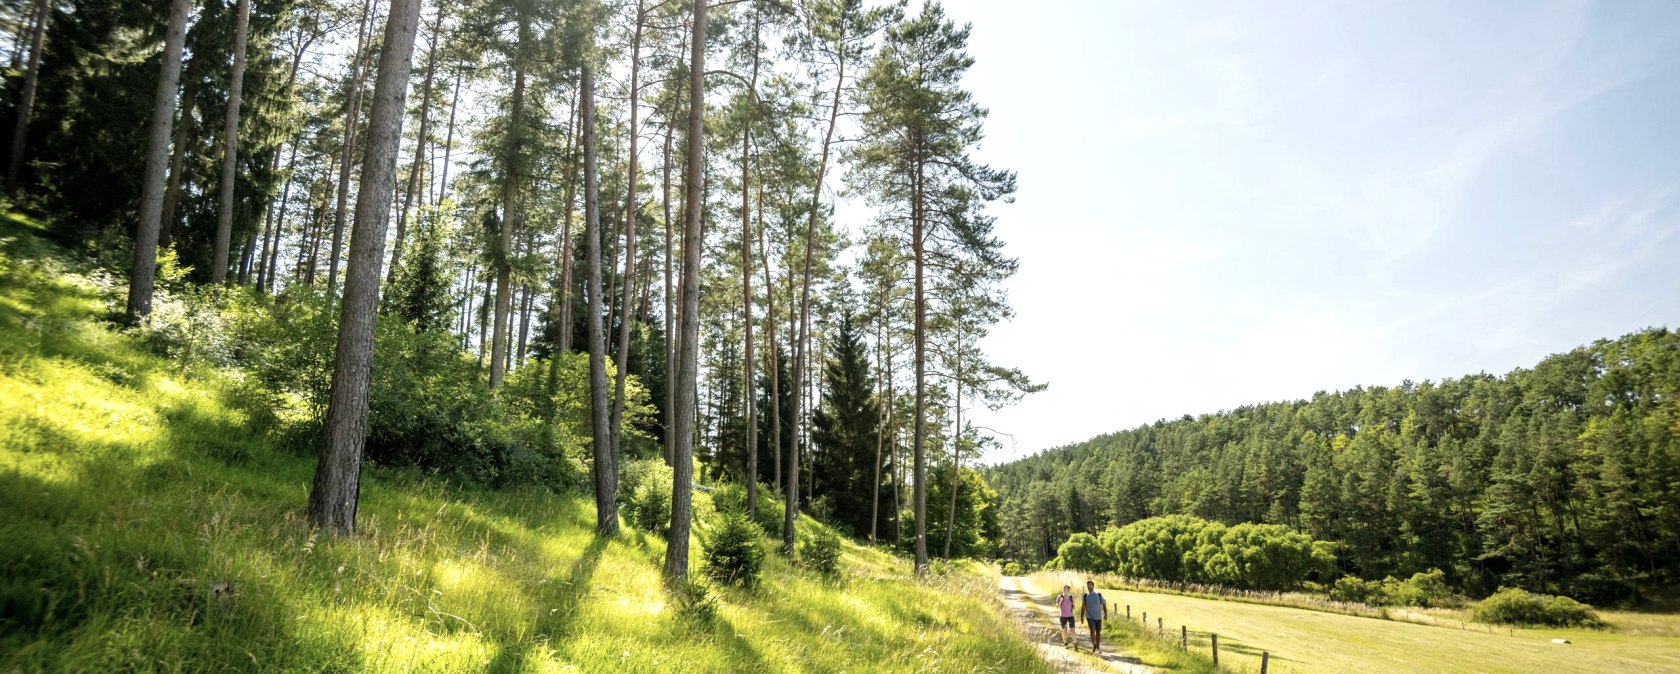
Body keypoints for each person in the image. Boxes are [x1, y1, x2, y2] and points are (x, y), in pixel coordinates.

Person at [1079, 580, 1108, 654]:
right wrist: (1081, 617)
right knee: (1092, 630)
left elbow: (1104, 604)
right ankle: (1094, 644)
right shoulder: (1085, 596)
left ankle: (1097, 647)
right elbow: (1083, 607)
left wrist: (1105, 614)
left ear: (1093, 586)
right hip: (1090, 616)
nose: (1089, 586)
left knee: (1098, 632)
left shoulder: (1098, 595)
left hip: (1098, 617)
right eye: (1088, 585)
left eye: (1090, 585)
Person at [1055, 584, 1078, 650]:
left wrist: (1073, 602)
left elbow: (1073, 607)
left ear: (1068, 589)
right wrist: (1060, 602)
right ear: (1063, 589)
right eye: (1064, 588)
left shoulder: (1071, 597)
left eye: (1067, 588)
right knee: (1064, 630)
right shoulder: (1060, 596)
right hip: (1063, 616)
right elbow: (1056, 606)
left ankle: (1075, 644)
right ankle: (1065, 643)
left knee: (1072, 630)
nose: (1065, 589)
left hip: (1071, 616)